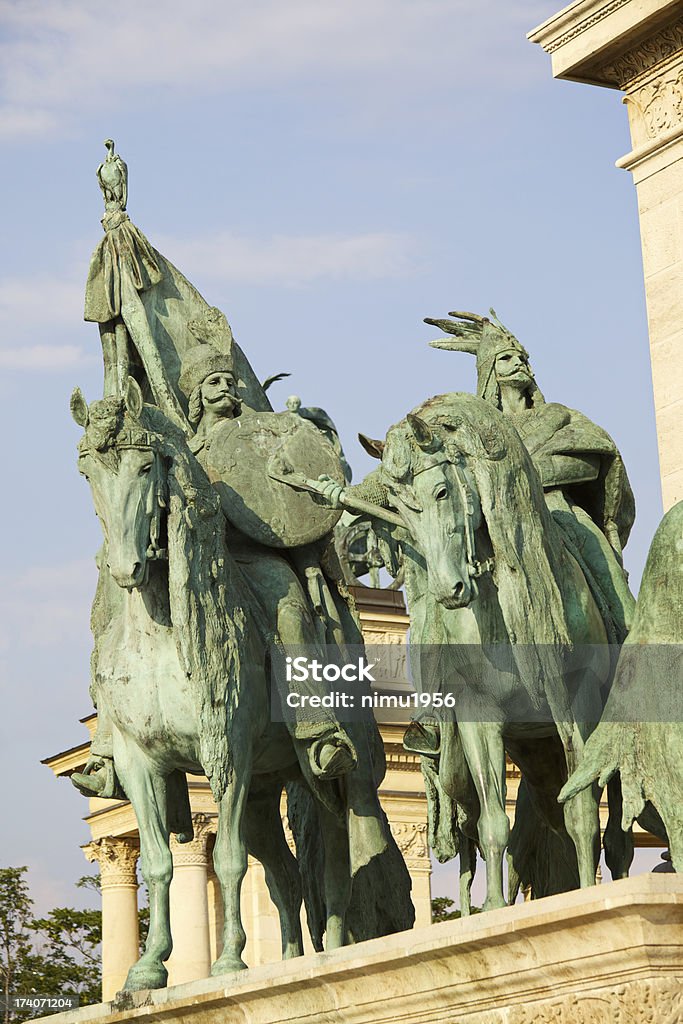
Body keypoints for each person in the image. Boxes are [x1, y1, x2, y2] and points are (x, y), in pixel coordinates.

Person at [426, 309, 636, 642]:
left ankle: (634, 647)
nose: (519, 362)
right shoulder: (476, 432)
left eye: (522, 357)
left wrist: (522, 477)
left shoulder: (558, 415)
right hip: (494, 526)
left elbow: (595, 457)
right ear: (490, 372)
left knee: (610, 577)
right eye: (507, 357)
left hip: (561, 514)